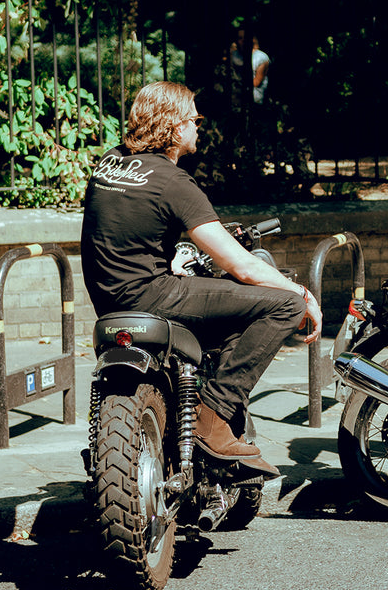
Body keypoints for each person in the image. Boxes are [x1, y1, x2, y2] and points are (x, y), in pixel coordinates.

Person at [80, 81, 321, 479]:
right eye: (194, 119)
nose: (198, 127)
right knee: (283, 305)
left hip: (108, 298)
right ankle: (214, 414)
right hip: (152, 295)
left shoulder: (110, 162)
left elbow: (119, 226)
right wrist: (302, 292)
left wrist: (167, 255)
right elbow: (241, 266)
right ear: (175, 128)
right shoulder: (174, 182)